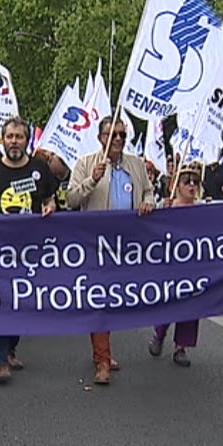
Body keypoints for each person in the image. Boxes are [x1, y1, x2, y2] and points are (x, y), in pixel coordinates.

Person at [0, 117, 56, 384]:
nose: (14, 141)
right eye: (10, 137)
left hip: (29, 250)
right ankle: (0, 358)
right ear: (2, 140)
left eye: (19, 136)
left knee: (21, 301)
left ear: (26, 140)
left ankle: (11, 347)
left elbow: (50, 196)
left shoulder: (40, 168)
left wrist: (50, 206)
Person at [68, 117, 156, 385]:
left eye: (122, 134)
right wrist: (91, 181)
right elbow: (71, 199)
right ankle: (102, 360)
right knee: (100, 301)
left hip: (128, 246)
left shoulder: (136, 165)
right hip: (97, 246)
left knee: (118, 299)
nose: (118, 139)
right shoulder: (85, 164)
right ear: (101, 138)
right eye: (113, 134)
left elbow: (150, 192)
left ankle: (104, 350)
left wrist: (148, 203)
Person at [149, 165, 203, 367]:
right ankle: (159, 333)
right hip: (169, 265)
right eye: (186, 181)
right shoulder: (166, 207)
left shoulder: (203, 209)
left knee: (190, 306)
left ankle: (181, 346)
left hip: (193, 266)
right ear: (177, 185)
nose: (191, 185)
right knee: (168, 301)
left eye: (195, 182)